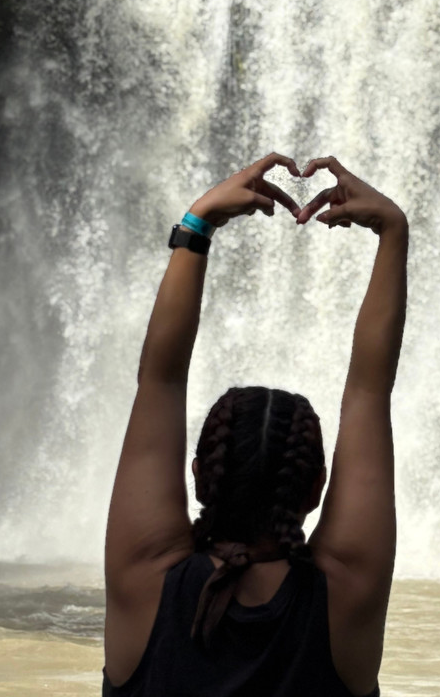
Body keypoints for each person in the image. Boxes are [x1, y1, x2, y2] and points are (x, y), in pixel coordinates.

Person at [102, 153, 408, 696]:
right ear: (317, 487)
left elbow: (160, 381)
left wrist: (197, 223)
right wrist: (392, 232)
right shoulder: (345, 594)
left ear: (199, 475)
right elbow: (369, 391)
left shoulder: (144, 579)